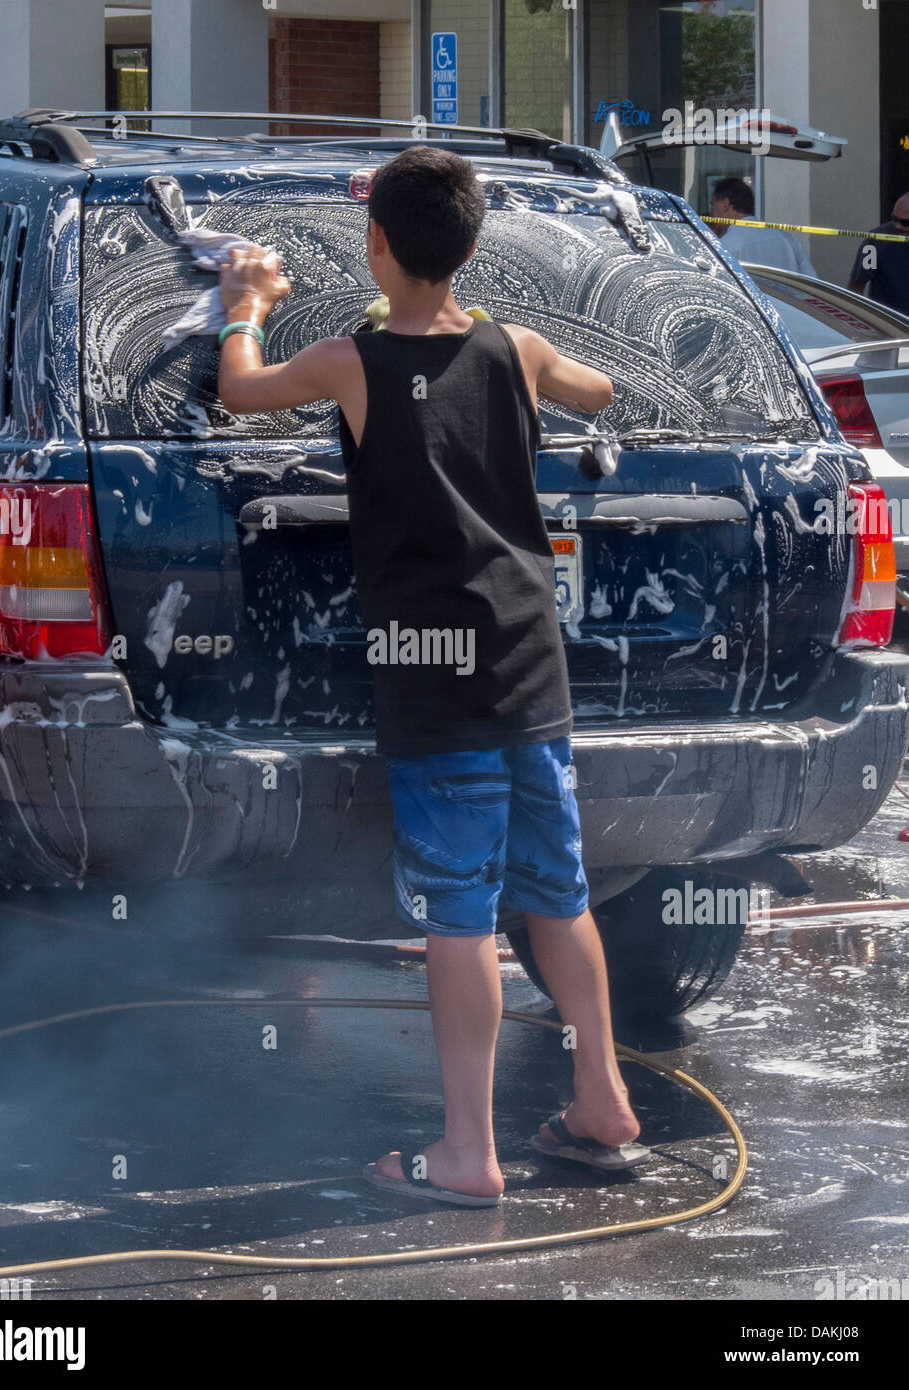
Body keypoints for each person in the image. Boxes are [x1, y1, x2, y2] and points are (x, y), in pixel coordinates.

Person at [216, 146, 647, 1206]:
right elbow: (603, 386)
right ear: (470, 246)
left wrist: (247, 299)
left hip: (433, 669)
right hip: (527, 658)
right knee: (558, 890)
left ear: (374, 247)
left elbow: (237, 392)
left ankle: (467, 1150)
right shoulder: (519, 349)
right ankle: (602, 1097)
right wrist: (511, 346)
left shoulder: (350, 360)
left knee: (459, 909)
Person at [710, 176, 817, 277]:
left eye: (713, 205)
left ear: (725, 204)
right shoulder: (787, 239)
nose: (712, 213)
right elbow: (812, 283)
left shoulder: (725, 246)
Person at [847, 192, 909, 317]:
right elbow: (856, 286)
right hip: (890, 324)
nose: (897, 226)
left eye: (905, 222)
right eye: (894, 219)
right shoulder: (875, 241)